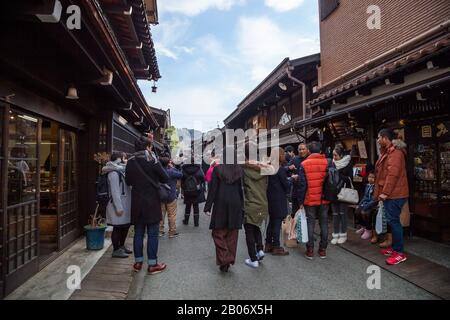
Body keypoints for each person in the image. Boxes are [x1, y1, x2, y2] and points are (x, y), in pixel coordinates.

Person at [126, 136, 169, 274]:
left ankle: (138, 263)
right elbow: (165, 178)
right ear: (148, 147)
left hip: (137, 202)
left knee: (138, 233)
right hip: (152, 202)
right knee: (152, 234)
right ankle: (152, 264)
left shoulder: (130, 161)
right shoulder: (153, 160)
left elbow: (128, 181)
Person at [204, 149, 244, 273]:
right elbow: (241, 189)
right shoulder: (239, 170)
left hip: (221, 201)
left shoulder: (218, 169)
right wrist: (242, 206)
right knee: (232, 234)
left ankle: (224, 258)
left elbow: (213, 189)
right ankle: (228, 259)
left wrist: (208, 206)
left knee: (218, 232)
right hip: (236, 202)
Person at [374, 129, 409, 265]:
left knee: (394, 222)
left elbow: (392, 175)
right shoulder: (389, 151)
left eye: (378, 137)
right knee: (392, 221)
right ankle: (395, 249)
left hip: (395, 194)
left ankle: (399, 253)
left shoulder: (395, 153)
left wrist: (385, 193)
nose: (377, 140)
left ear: (385, 138)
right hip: (393, 194)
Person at [242, 142, 270, 268]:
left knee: (249, 230)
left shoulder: (243, 168)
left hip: (250, 203)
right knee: (256, 226)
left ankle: (253, 259)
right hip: (263, 203)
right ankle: (260, 250)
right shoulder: (264, 169)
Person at [301, 141, 330, 260]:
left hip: (310, 198)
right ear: (320, 150)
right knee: (324, 223)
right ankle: (322, 250)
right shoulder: (328, 163)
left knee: (310, 223)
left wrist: (300, 200)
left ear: (309, 151)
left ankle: (310, 250)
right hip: (324, 198)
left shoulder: (304, 164)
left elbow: (302, 185)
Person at [102, 152, 132, 258]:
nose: (126, 160)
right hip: (117, 205)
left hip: (125, 204)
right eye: (124, 158)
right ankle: (116, 249)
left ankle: (121, 246)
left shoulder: (120, 170)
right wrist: (119, 208)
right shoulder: (113, 173)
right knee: (117, 228)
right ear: (119, 159)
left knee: (125, 226)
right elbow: (115, 192)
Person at [265, 147, 290, 256]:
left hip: (270, 198)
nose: (284, 155)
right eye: (282, 154)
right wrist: (291, 180)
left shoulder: (270, 167)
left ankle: (268, 244)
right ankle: (276, 246)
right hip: (278, 199)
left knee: (272, 221)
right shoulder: (279, 169)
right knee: (276, 223)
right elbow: (286, 185)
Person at [330, 145, 353, 245]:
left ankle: (343, 234)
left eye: (336, 155)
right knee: (335, 214)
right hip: (333, 191)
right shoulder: (332, 164)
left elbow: (350, 179)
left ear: (341, 155)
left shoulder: (348, 164)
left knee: (343, 214)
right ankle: (335, 234)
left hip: (343, 192)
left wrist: (337, 174)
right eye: (333, 155)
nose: (334, 157)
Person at [159, 157, 183, 238]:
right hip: (171, 196)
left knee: (161, 214)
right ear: (168, 163)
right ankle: (172, 232)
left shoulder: (158, 172)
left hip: (161, 195)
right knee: (171, 215)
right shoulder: (172, 171)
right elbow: (181, 174)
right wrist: (173, 167)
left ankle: (160, 231)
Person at [181, 159, 206, 226]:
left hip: (187, 190)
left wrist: (183, 188)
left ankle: (186, 221)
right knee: (196, 206)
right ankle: (196, 223)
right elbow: (203, 178)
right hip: (196, 190)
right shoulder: (198, 168)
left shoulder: (184, 168)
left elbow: (181, 178)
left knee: (188, 205)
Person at [355, 171, 378, 241]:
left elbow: (374, 200)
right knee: (357, 211)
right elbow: (365, 197)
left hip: (372, 204)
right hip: (366, 203)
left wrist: (365, 207)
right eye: (369, 177)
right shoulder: (367, 186)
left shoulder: (376, 187)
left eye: (373, 177)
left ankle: (368, 230)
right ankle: (363, 226)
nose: (370, 179)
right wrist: (359, 205)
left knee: (367, 213)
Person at [288, 143, 310, 215]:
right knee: (295, 214)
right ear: (297, 150)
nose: (301, 151)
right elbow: (288, 170)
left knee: (307, 215)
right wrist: (292, 174)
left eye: (303, 149)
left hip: (308, 192)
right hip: (296, 191)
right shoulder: (294, 159)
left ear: (307, 150)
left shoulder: (310, 159)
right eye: (300, 149)